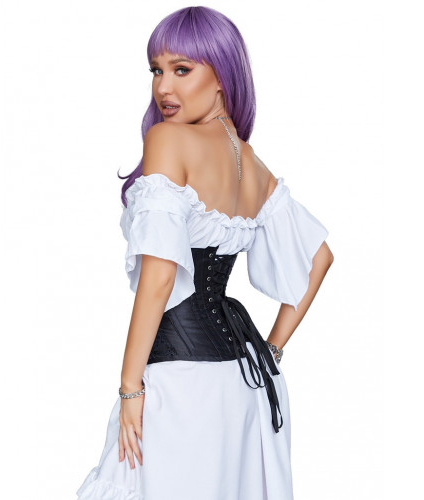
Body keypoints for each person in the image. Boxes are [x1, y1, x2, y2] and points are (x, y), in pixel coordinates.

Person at [76, 6, 333, 500]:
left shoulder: (168, 140)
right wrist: (272, 350)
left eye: (182, 69)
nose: (163, 88)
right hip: (244, 386)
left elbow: (160, 279)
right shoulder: (251, 164)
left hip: (181, 385)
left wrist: (130, 387)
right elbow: (318, 259)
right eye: (156, 70)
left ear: (222, 75)